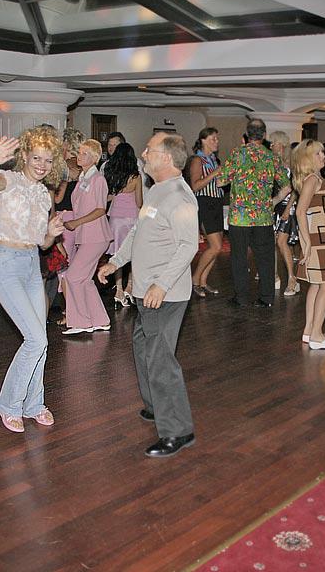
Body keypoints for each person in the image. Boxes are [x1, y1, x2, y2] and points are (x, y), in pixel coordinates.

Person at [97, 132, 199, 458]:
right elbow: (138, 232)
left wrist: (162, 284)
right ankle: (156, 406)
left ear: (166, 158)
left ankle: (177, 431)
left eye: (149, 150)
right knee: (143, 349)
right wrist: (115, 262)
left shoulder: (180, 198)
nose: (143, 153)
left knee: (160, 360)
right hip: (145, 291)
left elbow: (188, 246)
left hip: (164, 295)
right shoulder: (156, 190)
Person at [0, 128, 66, 433]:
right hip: (7, 262)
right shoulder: (8, 181)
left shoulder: (44, 194)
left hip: (31, 263)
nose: (42, 165)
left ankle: (34, 404)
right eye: (36, 158)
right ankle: (9, 405)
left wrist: (51, 234)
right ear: (24, 155)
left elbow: (42, 244)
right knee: (35, 339)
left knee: (42, 339)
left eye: (47, 160)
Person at [214, 118, 288, 308]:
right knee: (265, 259)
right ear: (264, 135)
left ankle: (241, 297)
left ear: (247, 135)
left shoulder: (237, 153)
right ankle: (266, 297)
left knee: (239, 258)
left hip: (240, 218)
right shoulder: (272, 157)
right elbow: (287, 187)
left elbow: (220, 182)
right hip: (263, 217)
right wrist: (272, 202)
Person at [293, 139, 325, 349]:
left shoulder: (316, 179)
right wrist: (307, 242)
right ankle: (316, 335)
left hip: (322, 237)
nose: (323, 156)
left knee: (316, 285)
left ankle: (309, 331)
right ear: (308, 158)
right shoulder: (312, 180)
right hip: (319, 239)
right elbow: (300, 211)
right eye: (318, 154)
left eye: (323, 152)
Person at [61, 139, 113, 335]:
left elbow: (100, 209)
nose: (79, 156)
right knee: (84, 280)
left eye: (84, 153)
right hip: (88, 235)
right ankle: (100, 319)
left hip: (96, 235)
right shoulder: (84, 178)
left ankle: (81, 322)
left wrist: (76, 222)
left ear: (94, 158)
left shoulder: (98, 179)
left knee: (73, 277)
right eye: (79, 152)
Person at [104, 142, 143, 307]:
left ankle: (118, 289)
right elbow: (139, 201)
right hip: (132, 218)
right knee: (134, 253)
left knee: (117, 254)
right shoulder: (136, 177)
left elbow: (107, 197)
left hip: (116, 218)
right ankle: (130, 287)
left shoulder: (111, 174)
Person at [188, 127, 223, 297]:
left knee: (216, 247)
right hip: (205, 203)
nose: (216, 141)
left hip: (216, 202)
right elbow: (195, 186)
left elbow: (216, 183)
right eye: (213, 139)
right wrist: (215, 173)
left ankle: (203, 281)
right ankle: (195, 279)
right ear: (203, 140)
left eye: (217, 139)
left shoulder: (214, 160)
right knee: (216, 246)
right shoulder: (197, 160)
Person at [268, 131, 299, 296]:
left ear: (280, 144)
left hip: (287, 206)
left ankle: (292, 278)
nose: (271, 146)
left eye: (273, 143)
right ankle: (275, 276)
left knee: (281, 242)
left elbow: (295, 188)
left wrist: (288, 208)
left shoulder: (290, 163)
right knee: (272, 242)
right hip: (275, 206)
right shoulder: (273, 162)